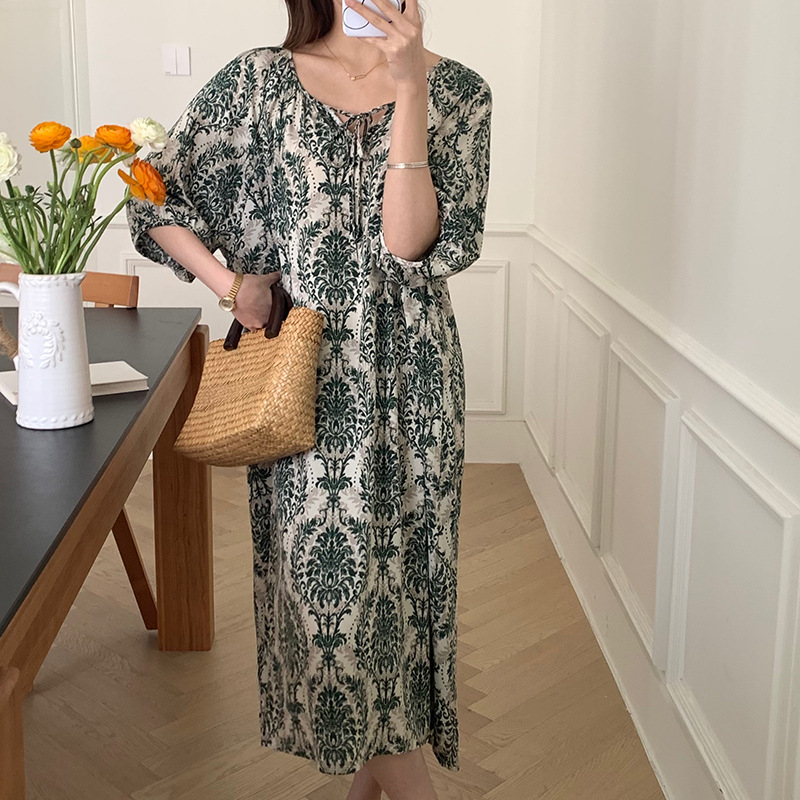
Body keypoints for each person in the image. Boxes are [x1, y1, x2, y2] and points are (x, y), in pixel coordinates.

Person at [125, 0, 492, 797]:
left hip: (415, 384)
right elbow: (155, 198)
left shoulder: (461, 94)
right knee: (334, 606)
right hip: (303, 383)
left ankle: (370, 783)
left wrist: (410, 88)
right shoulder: (258, 82)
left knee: (404, 590)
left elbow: (407, 244)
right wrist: (232, 285)